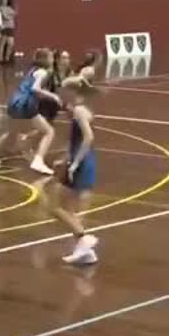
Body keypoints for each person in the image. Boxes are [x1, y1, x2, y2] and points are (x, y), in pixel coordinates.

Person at [0, 48, 60, 174]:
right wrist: (53, 96)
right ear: (44, 59)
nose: (52, 60)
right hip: (25, 104)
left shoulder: (32, 70)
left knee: (11, 134)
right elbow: (35, 89)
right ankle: (38, 161)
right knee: (49, 131)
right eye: (51, 57)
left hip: (14, 102)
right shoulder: (43, 72)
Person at [48, 76, 100, 265]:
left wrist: (75, 163)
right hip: (81, 159)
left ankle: (83, 237)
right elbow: (77, 140)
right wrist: (66, 157)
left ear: (72, 91)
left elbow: (88, 137)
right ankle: (85, 253)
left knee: (55, 206)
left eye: (63, 90)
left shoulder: (78, 110)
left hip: (81, 162)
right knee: (67, 208)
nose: (61, 93)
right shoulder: (80, 110)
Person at [0, 0, 17, 64]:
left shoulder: (9, 8)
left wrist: (10, 15)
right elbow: (5, 16)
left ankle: (7, 58)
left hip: (11, 27)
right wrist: (10, 15)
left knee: (11, 43)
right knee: (2, 43)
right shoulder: (0, 8)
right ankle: (0, 59)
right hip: (5, 27)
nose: (5, 1)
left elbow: (15, 14)